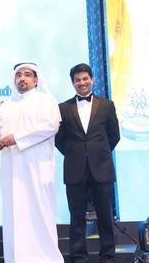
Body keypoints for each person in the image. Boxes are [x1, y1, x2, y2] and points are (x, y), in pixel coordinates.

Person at [0, 63, 64, 263]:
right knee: (14, 215)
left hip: (36, 169)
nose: (22, 79)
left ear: (36, 79)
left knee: (39, 213)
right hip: (10, 170)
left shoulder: (46, 100)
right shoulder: (5, 106)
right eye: (18, 75)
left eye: (27, 75)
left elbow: (50, 126)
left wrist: (16, 137)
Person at [55, 63, 120, 263]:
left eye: (85, 78)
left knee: (106, 219)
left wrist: (97, 154)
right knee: (76, 220)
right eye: (77, 80)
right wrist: (76, 154)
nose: (81, 83)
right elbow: (59, 140)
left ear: (92, 79)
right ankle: (78, 258)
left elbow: (114, 136)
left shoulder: (107, 105)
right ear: (73, 83)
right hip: (75, 171)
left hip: (102, 169)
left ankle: (107, 258)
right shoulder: (63, 108)